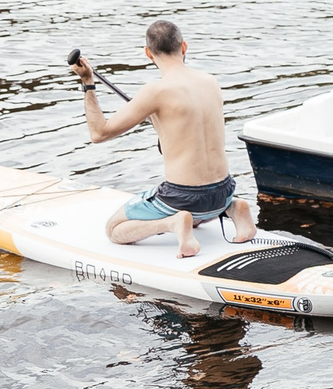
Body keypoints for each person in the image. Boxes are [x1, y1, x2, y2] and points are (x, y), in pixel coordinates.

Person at [69, 20, 258, 259]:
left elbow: (99, 134)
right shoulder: (211, 81)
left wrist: (88, 83)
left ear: (148, 53)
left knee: (114, 230)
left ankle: (173, 224)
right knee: (200, 209)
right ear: (184, 46)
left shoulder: (155, 91)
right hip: (223, 191)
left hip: (183, 197)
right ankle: (234, 208)